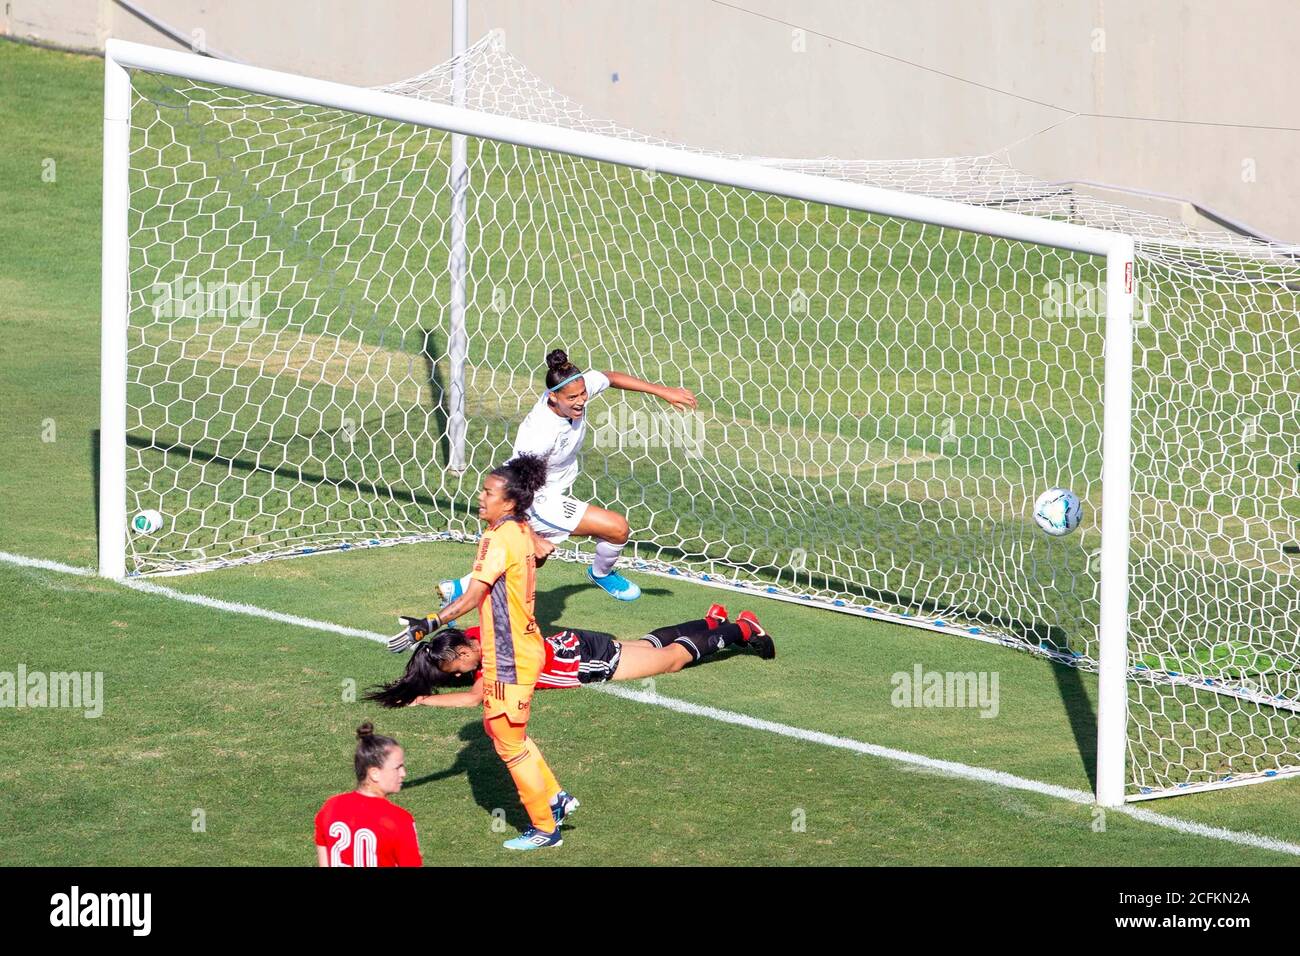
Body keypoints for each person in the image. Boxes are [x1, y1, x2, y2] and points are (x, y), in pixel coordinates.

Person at [389, 453, 572, 851]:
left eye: (488, 493)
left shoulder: (498, 537)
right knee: (504, 732)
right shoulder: (519, 528)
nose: (480, 497)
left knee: (507, 742)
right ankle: (556, 798)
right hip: (520, 647)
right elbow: (541, 552)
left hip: (510, 656)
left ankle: (545, 829)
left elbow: (474, 596)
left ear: (509, 501)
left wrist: (427, 623)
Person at [438, 348, 697, 605]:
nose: (581, 401)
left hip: (550, 491)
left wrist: (663, 391)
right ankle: (601, 574)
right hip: (532, 499)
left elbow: (611, 377)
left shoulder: (575, 388)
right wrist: (531, 534)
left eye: (583, 393)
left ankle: (459, 589)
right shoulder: (539, 434)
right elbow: (517, 490)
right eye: (572, 397)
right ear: (552, 397)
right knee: (617, 528)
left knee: (531, 560)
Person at [369, 603, 775, 711]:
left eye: (454, 667)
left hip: (585, 662)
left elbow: (476, 698)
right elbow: (457, 667)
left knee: (670, 660)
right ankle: (708, 621)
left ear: (462, 652)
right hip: (578, 640)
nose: (458, 674)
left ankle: (742, 630)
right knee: (648, 647)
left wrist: (423, 698)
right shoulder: (479, 632)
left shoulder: (492, 662)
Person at [314, 722, 422, 867]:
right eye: (398, 767)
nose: (403, 774)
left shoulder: (330, 807)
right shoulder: (399, 819)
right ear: (374, 773)